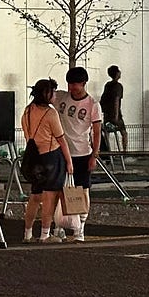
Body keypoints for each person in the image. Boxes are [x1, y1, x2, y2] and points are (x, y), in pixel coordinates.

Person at [21, 79, 74, 243]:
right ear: (46, 94)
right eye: (53, 92)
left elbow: (26, 133)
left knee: (35, 196)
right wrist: (69, 162)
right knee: (50, 197)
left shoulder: (28, 111)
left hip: (33, 157)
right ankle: (45, 234)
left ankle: (27, 234)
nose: (55, 95)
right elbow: (61, 140)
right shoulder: (50, 114)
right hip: (51, 157)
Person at [53, 66, 101, 242]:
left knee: (82, 190)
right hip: (61, 152)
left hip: (82, 153)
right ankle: (59, 225)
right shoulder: (61, 97)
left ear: (84, 83)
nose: (72, 87)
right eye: (70, 84)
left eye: (75, 84)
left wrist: (94, 155)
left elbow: (97, 131)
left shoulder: (93, 105)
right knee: (59, 189)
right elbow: (47, 95)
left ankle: (80, 227)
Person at [100, 65, 127, 156]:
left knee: (107, 133)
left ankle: (108, 153)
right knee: (123, 132)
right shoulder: (118, 86)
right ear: (117, 73)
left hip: (107, 114)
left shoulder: (108, 85)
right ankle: (124, 152)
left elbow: (103, 99)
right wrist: (116, 116)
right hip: (115, 114)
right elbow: (116, 100)